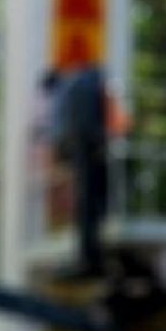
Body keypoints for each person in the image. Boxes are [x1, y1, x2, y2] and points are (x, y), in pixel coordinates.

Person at [51, 64, 111, 280]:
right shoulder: (90, 82)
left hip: (84, 147)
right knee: (92, 202)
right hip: (94, 147)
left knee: (87, 204)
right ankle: (91, 256)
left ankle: (90, 258)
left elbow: (67, 128)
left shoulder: (72, 86)